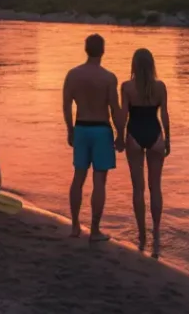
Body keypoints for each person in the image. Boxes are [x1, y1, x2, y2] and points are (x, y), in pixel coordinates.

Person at [62, 33, 124, 242]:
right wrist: (121, 134)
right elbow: (115, 109)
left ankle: (75, 226)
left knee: (78, 178)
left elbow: (66, 105)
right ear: (103, 50)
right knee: (99, 182)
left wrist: (70, 130)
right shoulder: (108, 77)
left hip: (81, 128)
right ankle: (95, 230)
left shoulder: (73, 75)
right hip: (101, 129)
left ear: (86, 49)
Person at [118, 47, 170, 256]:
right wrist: (168, 139)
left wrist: (119, 137)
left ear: (134, 65)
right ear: (152, 65)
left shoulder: (127, 87)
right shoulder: (160, 87)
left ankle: (142, 234)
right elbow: (164, 115)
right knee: (155, 187)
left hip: (135, 136)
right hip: (155, 134)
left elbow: (122, 115)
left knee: (138, 188)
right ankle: (156, 233)